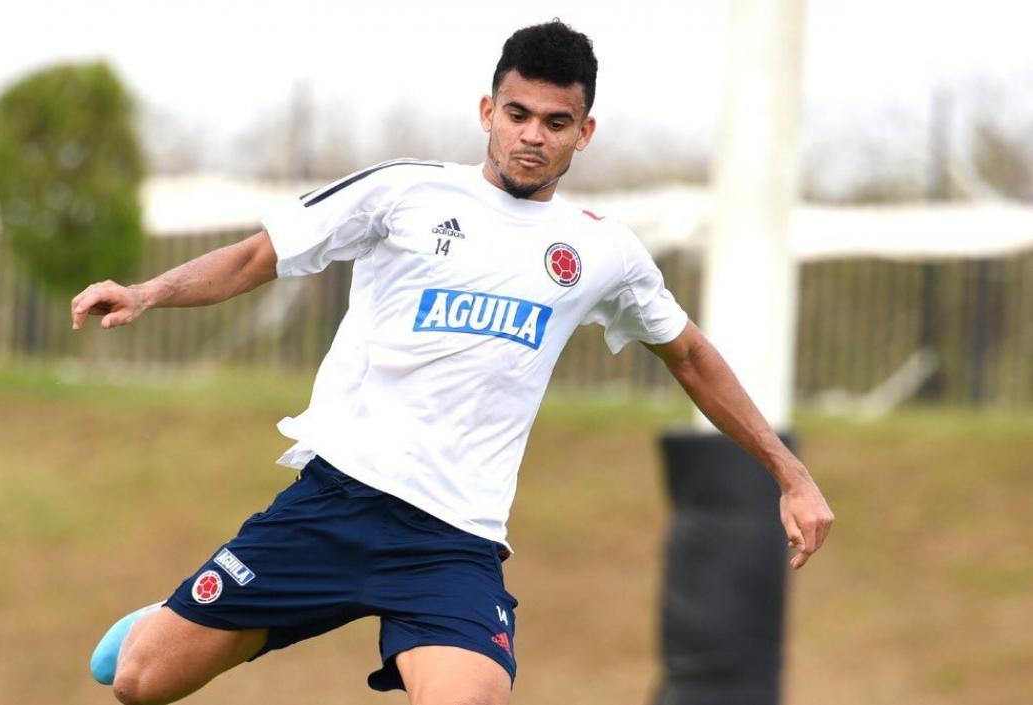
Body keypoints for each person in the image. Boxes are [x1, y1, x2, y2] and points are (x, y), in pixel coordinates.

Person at [70, 20, 833, 705]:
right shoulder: (405, 192)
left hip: (451, 543)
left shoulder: (603, 251)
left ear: (584, 132)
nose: (533, 135)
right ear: (487, 112)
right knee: (141, 681)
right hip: (335, 504)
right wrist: (148, 291)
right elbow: (260, 255)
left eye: (556, 122)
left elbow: (692, 355)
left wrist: (791, 475)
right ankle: (186, 618)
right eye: (518, 114)